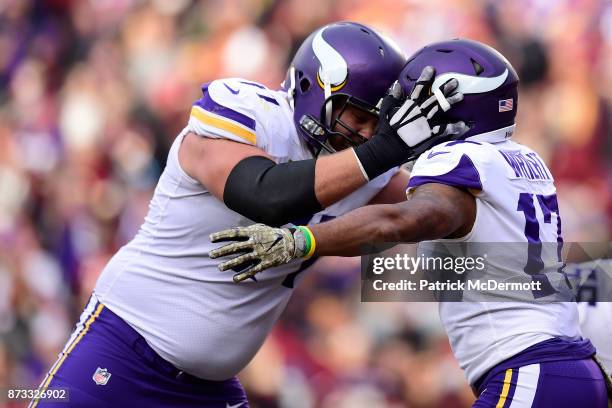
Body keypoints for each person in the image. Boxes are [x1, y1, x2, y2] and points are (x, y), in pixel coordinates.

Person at [30, 22, 467, 407]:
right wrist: (383, 151)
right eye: (358, 117)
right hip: (122, 353)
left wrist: (469, 158)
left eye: (380, 124)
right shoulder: (250, 114)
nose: (369, 135)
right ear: (316, 91)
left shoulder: (367, 169)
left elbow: (427, 221)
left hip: (209, 389)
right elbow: (264, 195)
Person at [210, 39, 611, 407]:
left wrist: (303, 241)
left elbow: (405, 220)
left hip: (530, 369)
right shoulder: (525, 160)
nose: (400, 110)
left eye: (414, 96)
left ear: (450, 104)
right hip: (572, 368)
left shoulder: (457, 158)